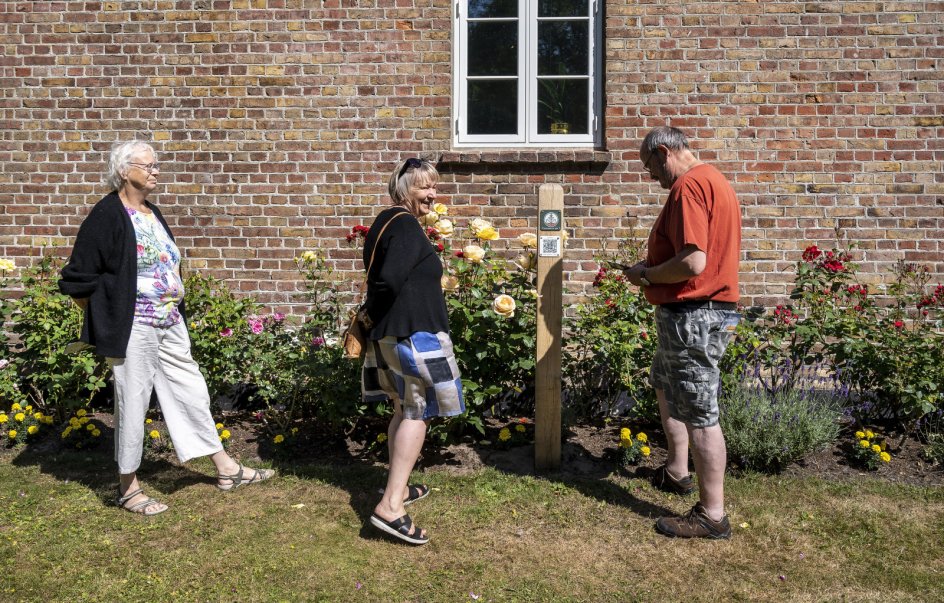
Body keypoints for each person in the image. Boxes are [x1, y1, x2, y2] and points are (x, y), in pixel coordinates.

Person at [59, 141, 274, 516]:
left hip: (170, 322)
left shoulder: (151, 211)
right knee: (134, 400)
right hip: (135, 327)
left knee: (192, 389)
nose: (156, 170)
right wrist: (105, 316)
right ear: (126, 171)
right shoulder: (108, 214)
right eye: (149, 165)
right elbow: (77, 278)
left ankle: (226, 468)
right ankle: (128, 487)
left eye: (157, 165)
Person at [624, 126, 741, 539]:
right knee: (665, 384)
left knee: (700, 410)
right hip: (695, 312)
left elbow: (693, 261)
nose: (651, 176)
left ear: (663, 152)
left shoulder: (689, 187)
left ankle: (712, 516)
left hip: (695, 314)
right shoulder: (715, 180)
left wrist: (647, 275)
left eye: (649, 166)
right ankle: (677, 470)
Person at [361, 157, 465, 545]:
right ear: (404, 189)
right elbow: (387, 281)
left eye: (433, 187)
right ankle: (390, 507)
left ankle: (398, 488)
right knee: (417, 413)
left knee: (403, 408)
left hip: (394, 333)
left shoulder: (386, 221)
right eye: (424, 187)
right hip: (413, 334)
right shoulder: (404, 225)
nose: (432, 194)